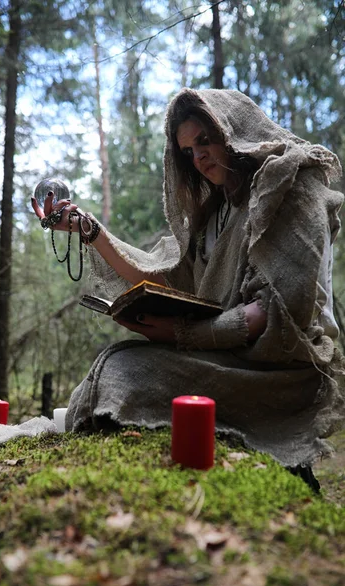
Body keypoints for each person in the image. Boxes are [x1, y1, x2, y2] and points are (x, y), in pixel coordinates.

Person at [32, 88, 345, 492]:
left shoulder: (288, 186)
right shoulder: (215, 213)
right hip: (222, 354)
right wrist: (88, 230)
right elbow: (162, 279)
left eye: (204, 140)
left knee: (120, 372)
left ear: (233, 130)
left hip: (275, 367)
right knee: (112, 364)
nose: (197, 157)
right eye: (186, 150)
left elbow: (273, 314)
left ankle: (290, 478)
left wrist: (179, 334)